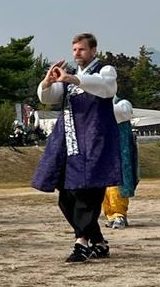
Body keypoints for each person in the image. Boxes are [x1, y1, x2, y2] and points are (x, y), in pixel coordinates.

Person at [32, 33, 122, 263]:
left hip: (94, 140)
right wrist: (48, 82)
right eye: (74, 50)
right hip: (69, 141)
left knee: (88, 192)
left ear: (93, 50)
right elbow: (49, 98)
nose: (77, 54)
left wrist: (71, 79)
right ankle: (99, 242)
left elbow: (106, 89)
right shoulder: (71, 77)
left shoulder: (105, 70)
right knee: (66, 196)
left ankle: (81, 241)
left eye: (81, 49)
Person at [102, 98, 139, 229]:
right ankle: (110, 215)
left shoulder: (122, 103)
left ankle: (119, 214)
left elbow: (122, 113)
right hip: (102, 153)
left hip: (118, 154)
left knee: (116, 186)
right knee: (103, 188)